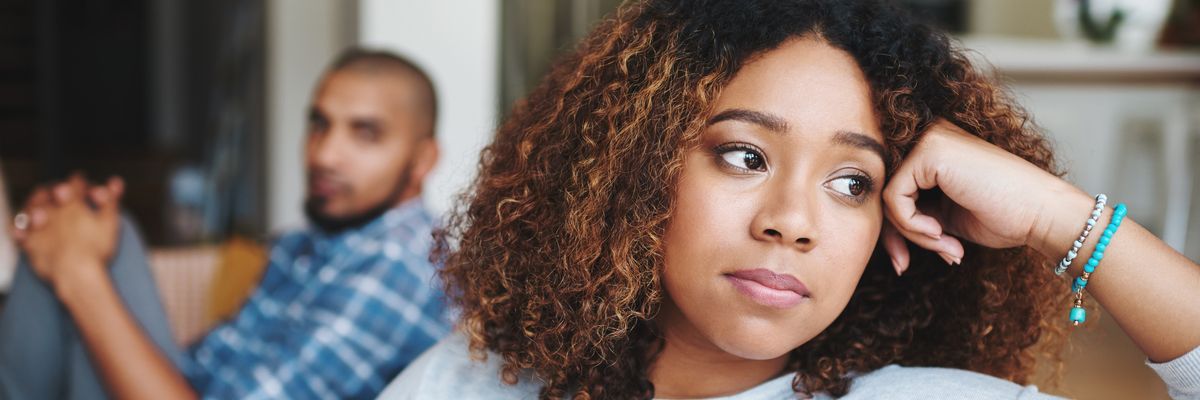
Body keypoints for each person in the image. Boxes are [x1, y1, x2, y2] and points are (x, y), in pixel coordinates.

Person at [379, 1, 1200, 399]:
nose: (791, 221)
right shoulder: (470, 382)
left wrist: (1056, 217)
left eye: (853, 184)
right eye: (743, 155)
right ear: (637, 173)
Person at [0, 48, 451, 399]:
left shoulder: (399, 265)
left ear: (423, 159)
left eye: (365, 133)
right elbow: (209, 365)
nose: (323, 154)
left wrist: (80, 274)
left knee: (100, 240)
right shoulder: (312, 242)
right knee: (86, 223)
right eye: (319, 124)